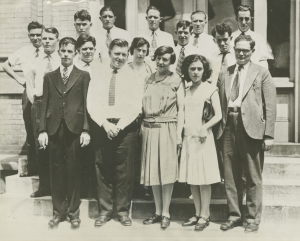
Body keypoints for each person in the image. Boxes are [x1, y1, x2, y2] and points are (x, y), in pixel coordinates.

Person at [216, 35, 276, 233]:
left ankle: (252, 218)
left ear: (252, 51)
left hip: (251, 128)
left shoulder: (262, 72)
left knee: (252, 175)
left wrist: (268, 134)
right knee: (230, 175)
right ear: (234, 49)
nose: (241, 53)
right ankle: (234, 215)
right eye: (238, 50)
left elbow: (270, 105)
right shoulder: (226, 72)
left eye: (245, 50)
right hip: (228, 126)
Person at [87, 39, 143, 227]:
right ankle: (104, 210)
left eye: (124, 54)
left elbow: (136, 106)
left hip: (125, 128)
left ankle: (122, 211)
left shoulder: (134, 76)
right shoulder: (99, 74)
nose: (120, 57)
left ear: (128, 55)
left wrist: (119, 125)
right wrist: (104, 123)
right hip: (102, 126)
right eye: (116, 53)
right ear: (109, 52)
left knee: (124, 171)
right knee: (102, 168)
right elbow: (91, 103)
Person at [38, 37, 91, 229]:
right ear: (58, 52)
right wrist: (42, 130)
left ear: (75, 53)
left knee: (74, 171)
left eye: (70, 51)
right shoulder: (49, 77)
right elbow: (44, 105)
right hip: (54, 129)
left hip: (74, 129)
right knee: (57, 171)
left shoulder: (83, 75)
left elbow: (86, 105)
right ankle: (58, 212)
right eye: (63, 51)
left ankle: (73, 213)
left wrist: (86, 129)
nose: (66, 54)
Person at [140, 46, 184, 229]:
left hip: (168, 128)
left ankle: (166, 211)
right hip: (149, 128)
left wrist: (179, 134)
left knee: (165, 172)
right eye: (158, 58)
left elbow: (181, 109)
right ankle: (157, 211)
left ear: (171, 61)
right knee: (153, 172)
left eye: (165, 59)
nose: (161, 62)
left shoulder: (176, 80)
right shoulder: (148, 78)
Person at [179, 55, 222, 231]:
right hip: (189, 138)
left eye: (199, 69)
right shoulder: (187, 90)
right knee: (193, 179)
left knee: (204, 179)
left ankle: (205, 215)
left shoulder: (210, 89)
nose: (196, 72)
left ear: (204, 70)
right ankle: (197, 213)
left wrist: (205, 127)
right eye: (192, 69)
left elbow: (218, 115)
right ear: (187, 71)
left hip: (204, 138)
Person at [2, 21, 43, 177]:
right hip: (29, 93)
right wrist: (19, 80)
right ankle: (34, 169)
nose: (35, 38)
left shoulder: (48, 50)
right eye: (32, 35)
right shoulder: (24, 51)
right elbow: (6, 65)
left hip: (45, 93)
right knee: (31, 130)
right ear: (28, 36)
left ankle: (46, 168)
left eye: (38, 35)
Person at [30, 27, 61, 198]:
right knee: (40, 144)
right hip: (40, 103)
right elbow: (30, 84)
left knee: (56, 143)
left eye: (50, 38)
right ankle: (44, 186)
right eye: (44, 38)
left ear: (57, 39)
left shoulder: (62, 58)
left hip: (57, 104)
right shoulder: (35, 60)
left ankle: (58, 186)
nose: (47, 41)